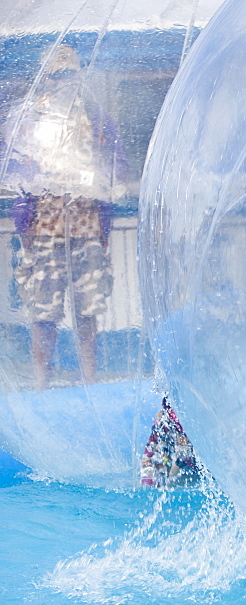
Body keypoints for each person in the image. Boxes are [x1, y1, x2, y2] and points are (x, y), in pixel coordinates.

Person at [1, 44, 123, 389]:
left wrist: (101, 184)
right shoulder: (28, 120)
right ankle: (42, 384)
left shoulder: (96, 118)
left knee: (89, 310)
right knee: (43, 313)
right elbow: (11, 170)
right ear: (46, 81)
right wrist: (34, 183)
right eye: (57, 76)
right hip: (44, 231)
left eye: (70, 75)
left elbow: (118, 166)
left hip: (87, 229)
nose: (63, 82)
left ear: (79, 76)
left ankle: (90, 381)